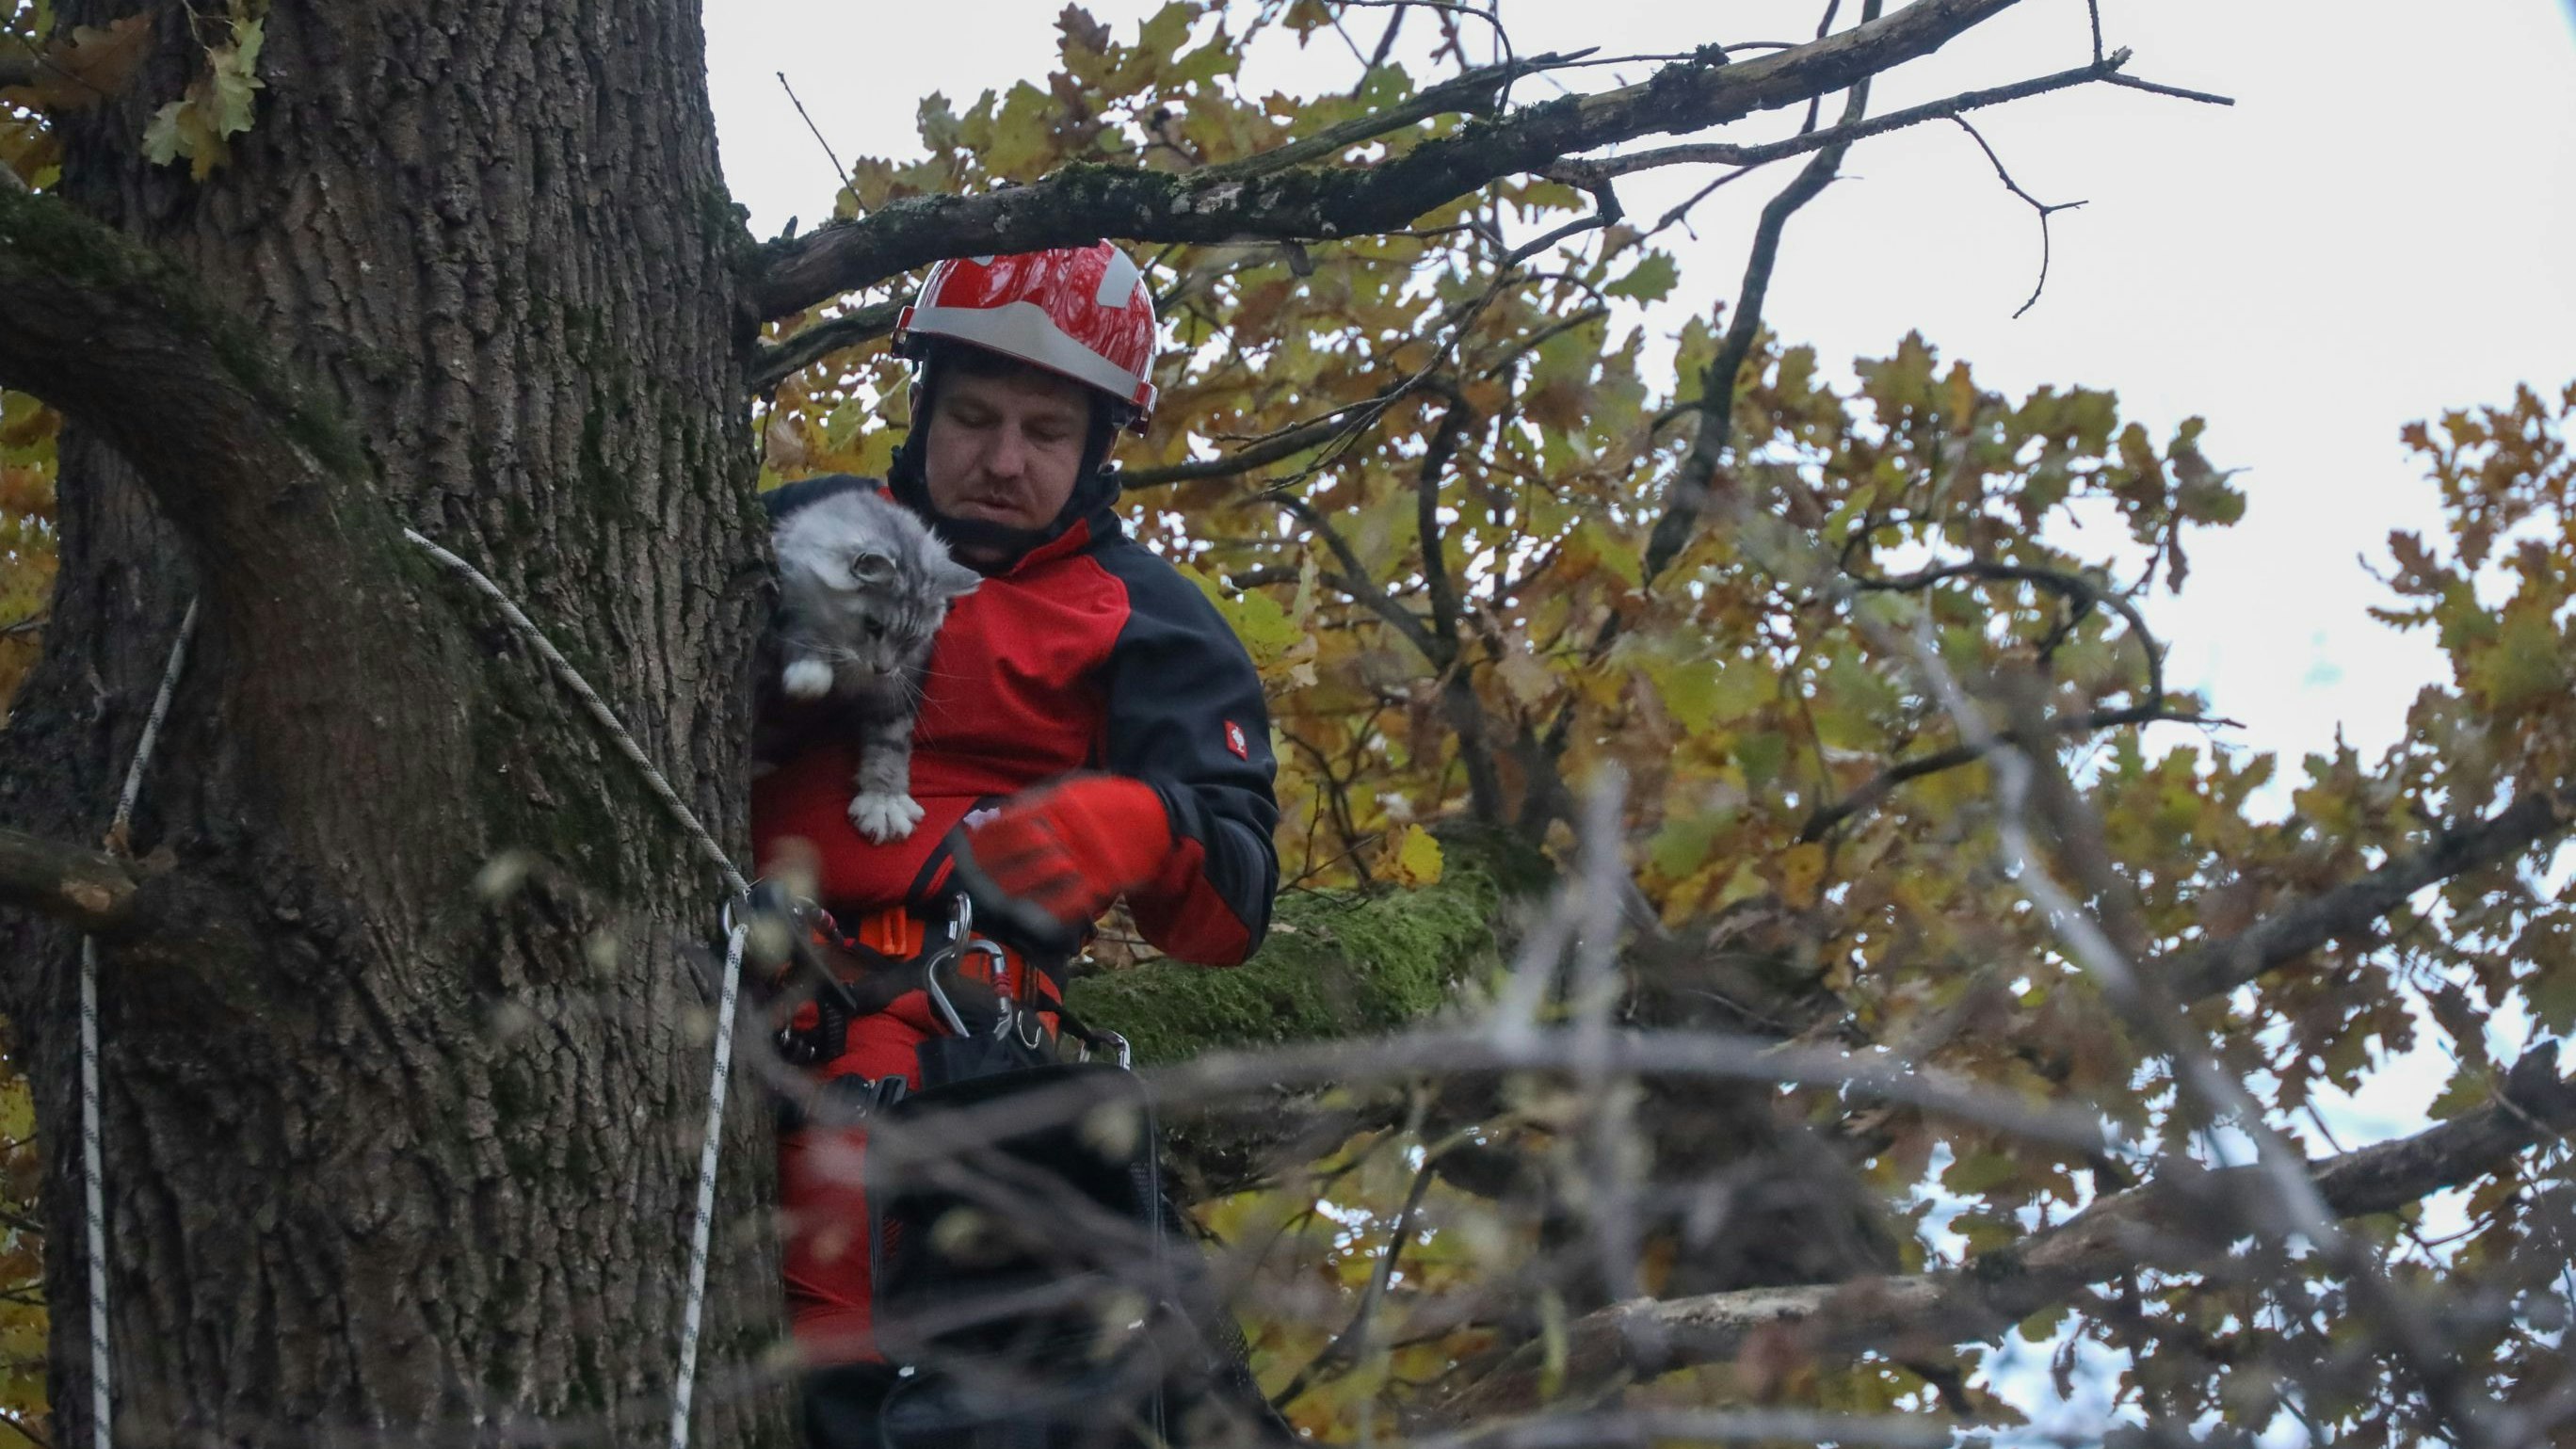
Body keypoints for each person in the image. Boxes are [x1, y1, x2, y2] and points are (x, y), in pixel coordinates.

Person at [749, 243, 1280, 1439]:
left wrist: (1151, 825)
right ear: (923, 405)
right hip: (731, 997)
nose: (1002, 459)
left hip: (965, 1062)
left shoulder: (1149, 617)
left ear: (1098, 447)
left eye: (1044, 430)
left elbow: (1235, 906)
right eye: (975, 416)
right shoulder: (805, 530)